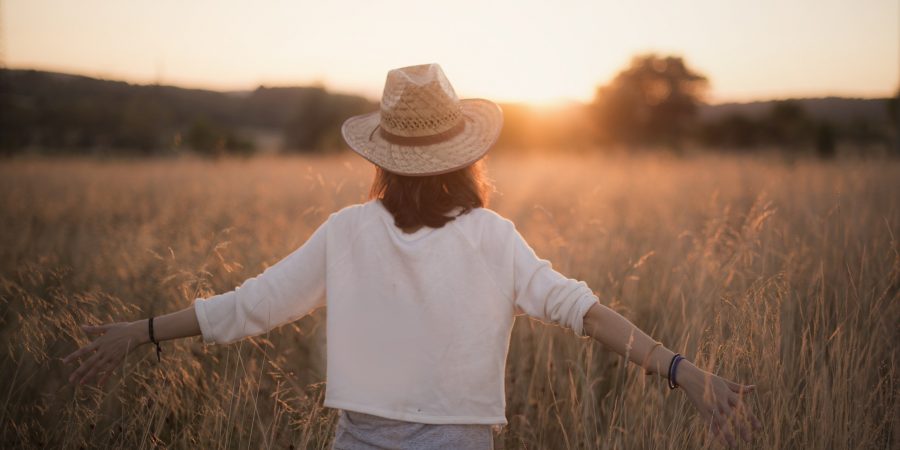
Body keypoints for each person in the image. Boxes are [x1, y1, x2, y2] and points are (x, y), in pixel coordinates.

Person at [62, 63, 761, 449]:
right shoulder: (494, 237)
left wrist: (140, 331)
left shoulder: (346, 231)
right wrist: (683, 371)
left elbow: (249, 308)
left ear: (387, 160)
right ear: (465, 156)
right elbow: (586, 314)